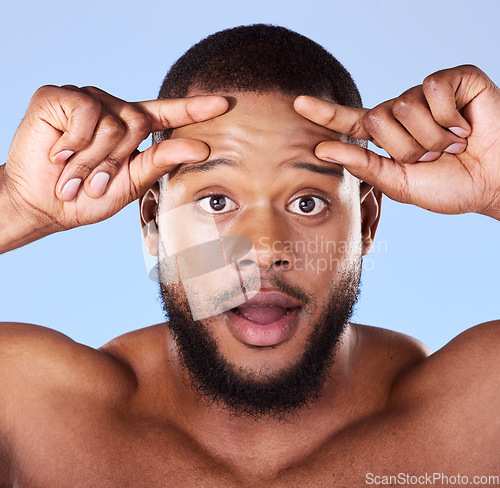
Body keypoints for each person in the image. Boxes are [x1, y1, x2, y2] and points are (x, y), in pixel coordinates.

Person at [0, 24, 498, 487]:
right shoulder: (32, 412)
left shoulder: (476, 417)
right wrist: (15, 202)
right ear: (153, 221)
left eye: (308, 202)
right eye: (217, 202)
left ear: (366, 222)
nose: (264, 250)